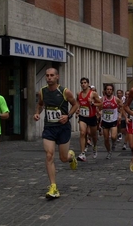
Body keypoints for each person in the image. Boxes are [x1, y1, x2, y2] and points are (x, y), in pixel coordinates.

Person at [33, 68, 79, 199]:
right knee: (49, 155)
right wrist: (37, 113)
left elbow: (76, 105)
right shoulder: (42, 91)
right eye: (47, 75)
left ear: (57, 77)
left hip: (63, 128)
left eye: (52, 75)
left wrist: (68, 116)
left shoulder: (65, 91)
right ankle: (53, 186)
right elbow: (40, 104)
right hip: (49, 128)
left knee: (63, 158)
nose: (49, 78)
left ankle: (71, 156)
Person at [76, 77, 102, 161]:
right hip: (83, 117)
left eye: (85, 83)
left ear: (88, 84)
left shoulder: (93, 94)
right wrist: (77, 110)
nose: (83, 84)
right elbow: (77, 102)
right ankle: (82, 153)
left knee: (93, 135)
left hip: (91, 117)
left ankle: (94, 147)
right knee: (83, 133)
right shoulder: (78, 94)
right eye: (82, 83)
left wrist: (93, 103)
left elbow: (101, 104)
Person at [101, 84, 124, 159]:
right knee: (106, 138)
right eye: (107, 89)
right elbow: (98, 107)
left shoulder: (116, 99)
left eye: (110, 89)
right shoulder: (102, 99)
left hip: (113, 120)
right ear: (105, 90)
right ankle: (109, 152)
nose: (109, 91)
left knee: (114, 136)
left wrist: (120, 115)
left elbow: (122, 107)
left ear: (112, 91)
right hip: (105, 120)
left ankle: (114, 143)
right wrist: (98, 113)